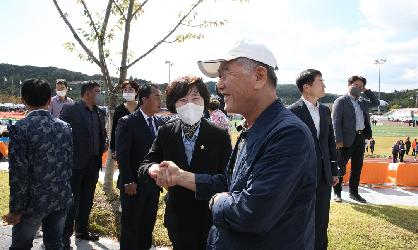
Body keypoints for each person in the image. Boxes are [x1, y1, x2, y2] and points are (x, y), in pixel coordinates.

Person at [148, 40, 317, 249]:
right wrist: (180, 176)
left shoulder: (288, 134)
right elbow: (229, 183)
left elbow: (251, 212)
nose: (219, 85)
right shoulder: (253, 128)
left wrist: (216, 201)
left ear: (259, 76)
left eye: (225, 75)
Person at [139, 76, 232, 250]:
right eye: (183, 99)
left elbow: (228, 179)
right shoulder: (166, 131)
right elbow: (147, 163)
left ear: (204, 102)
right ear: (174, 104)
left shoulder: (219, 135)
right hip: (178, 217)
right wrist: (154, 169)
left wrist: (184, 178)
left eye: (195, 98)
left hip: (210, 218)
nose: (190, 104)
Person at [6, 79, 73, 249]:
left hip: (32, 203)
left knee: (21, 246)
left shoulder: (21, 128)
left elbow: (18, 173)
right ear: (49, 100)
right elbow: (67, 163)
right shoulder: (65, 127)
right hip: (60, 197)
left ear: (23, 101)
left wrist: (16, 209)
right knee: (54, 244)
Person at [288, 69, 338, 249]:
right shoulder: (292, 112)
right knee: (300, 219)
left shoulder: (325, 111)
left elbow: (330, 142)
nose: (324, 85)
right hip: (301, 177)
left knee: (321, 220)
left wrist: (333, 170)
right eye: (320, 81)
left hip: (324, 176)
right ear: (307, 87)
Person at [60, 81, 108, 248]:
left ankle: (81, 230)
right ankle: (64, 237)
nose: (100, 94)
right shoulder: (71, 110)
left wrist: (104, 143)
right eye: (97, 91)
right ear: (88, 93)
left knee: (87, 199)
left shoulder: (100, 112)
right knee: (71, 202)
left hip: (94, 163)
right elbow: (61, 135)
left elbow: (102, 133)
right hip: (75, 164)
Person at [116, 83, 164, 250]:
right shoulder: (128, 122)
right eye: (157, 96)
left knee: (147, 227)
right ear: (144, 100)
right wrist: (128, 180)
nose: (160, 99)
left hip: (152, 185)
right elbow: (122, 154)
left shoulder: (159, 122)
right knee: (131, 229)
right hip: (133, 186)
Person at [332, 75, 379, 203]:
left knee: (357, 167)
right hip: (345, 139)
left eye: (360, 86)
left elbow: (376, 103)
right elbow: (335, 122)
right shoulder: (341, 101)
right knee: (340, 166)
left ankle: (354, 193)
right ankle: (337, 193)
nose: (358, 87)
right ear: (349, 85)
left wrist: (366, 91)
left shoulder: (362, 101)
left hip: (360, 137)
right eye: (355, 85)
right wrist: (338, 140)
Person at [110, 80, 140, 159]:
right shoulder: (118, 109)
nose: (128, 92)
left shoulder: (142, 108)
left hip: (141, 148)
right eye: (125, 90)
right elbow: (114, 130)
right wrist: (113, 149)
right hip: (123, 148)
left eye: (130, 89)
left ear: (136, 92)